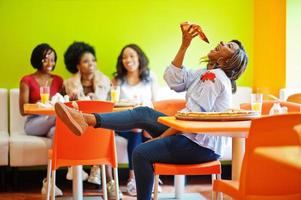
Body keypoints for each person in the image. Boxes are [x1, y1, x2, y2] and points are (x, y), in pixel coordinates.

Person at [54, 23, 248, 200]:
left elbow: (190, 119)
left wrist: (161, 138)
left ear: (228, 60)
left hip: (200, 145)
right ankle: (86, 119)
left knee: (141, 153)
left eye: (229, 46)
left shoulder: (214, 77)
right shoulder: (204, 73)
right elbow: (174, 79)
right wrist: (185, 43)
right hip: (193, 138)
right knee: (144, 113)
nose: (222, 42)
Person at [62, 41, 122, 199]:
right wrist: (71, 98)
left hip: (100, 125)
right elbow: (62, 108)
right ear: (77, 65)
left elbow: (112, 107)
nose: (91, 64)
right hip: (79, 127)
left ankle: (101, 172)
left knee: (105, 129)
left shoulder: (105, 81)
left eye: (93, 60)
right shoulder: (68, 84)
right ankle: (108, 182)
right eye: (86, 61)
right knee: (103, 132)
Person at [112, 44, 157, 195]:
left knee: (140, 129)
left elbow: (155, 103)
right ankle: (134, 178)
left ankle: (142, 178)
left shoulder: (150, 77)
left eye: (131, 56)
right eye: (124, 57)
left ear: (139, 57)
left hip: (145, 122)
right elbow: (111, 106)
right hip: (123, 122)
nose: (128, 60)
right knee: (136, 128)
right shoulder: (118, 79)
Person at [19, 43, 63, 196]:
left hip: (52, 123)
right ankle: (71, 169)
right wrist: (40, 105)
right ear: (37, 60)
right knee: (59, 116)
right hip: (33, 123)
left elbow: (63, 101)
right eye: (45, 60)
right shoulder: (27, 80)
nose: (50, 63)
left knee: (59, 134)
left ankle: (49, 181)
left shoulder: (59, 80)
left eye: (52, 60)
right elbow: (22, 110)